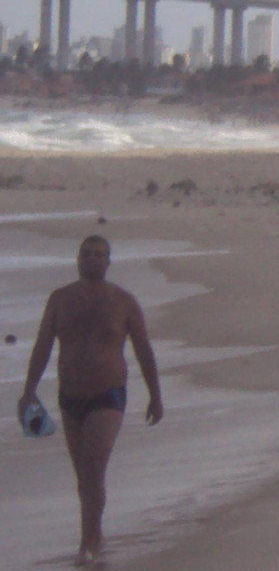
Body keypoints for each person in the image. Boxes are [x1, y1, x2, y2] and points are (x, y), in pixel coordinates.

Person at [18, 235, 164, 565]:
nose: (93, 258)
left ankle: (87, 544)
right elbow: (42, 347)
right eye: (87, 253)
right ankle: (96, 534)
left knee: (93, 467)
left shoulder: (123, 302)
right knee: (84, 479)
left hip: (108, 396)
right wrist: (29, 391)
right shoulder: (60, 300)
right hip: (70, 397)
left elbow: (143, 351)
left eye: (100, 254)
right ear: (78, 259)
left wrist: (155, 396)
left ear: (108, 262)